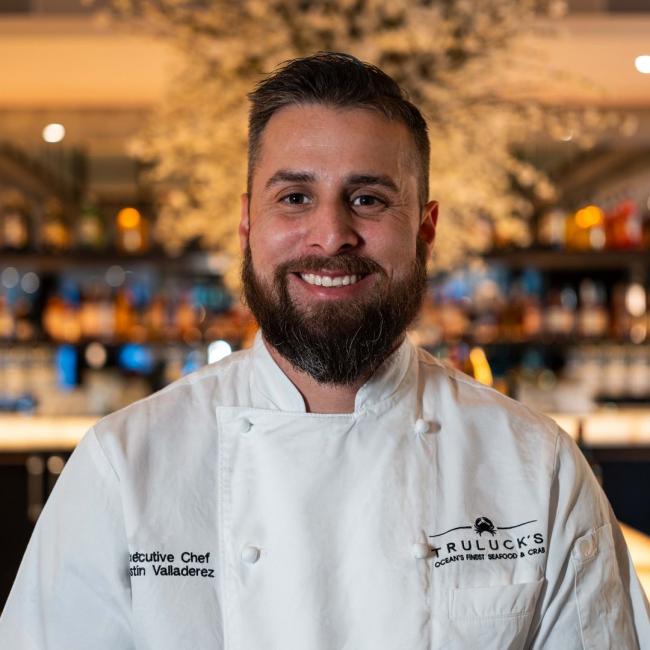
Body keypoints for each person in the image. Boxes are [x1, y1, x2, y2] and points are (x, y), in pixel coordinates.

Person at [1, 52, 648, 650]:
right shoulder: (123, 469)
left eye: (368, 199)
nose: (332, 234)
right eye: (295, 198)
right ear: (248, 225)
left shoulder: (540, 470)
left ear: (425, 230)